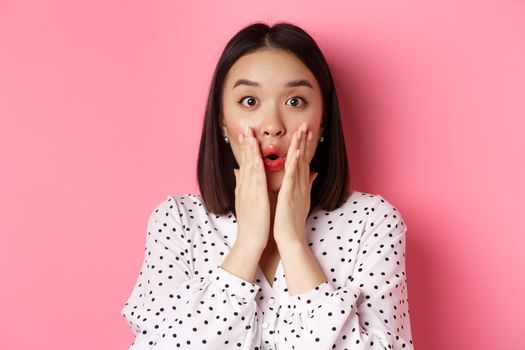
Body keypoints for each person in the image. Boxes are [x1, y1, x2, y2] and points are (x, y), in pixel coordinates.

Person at [121, 21, 414, 349]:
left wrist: (292, 242)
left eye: (295, 102)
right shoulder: (178, 222)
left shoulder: (372, 222)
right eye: (249, 101)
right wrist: (246, 244)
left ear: (323, 120)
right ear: (221, 120)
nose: (273, 127)